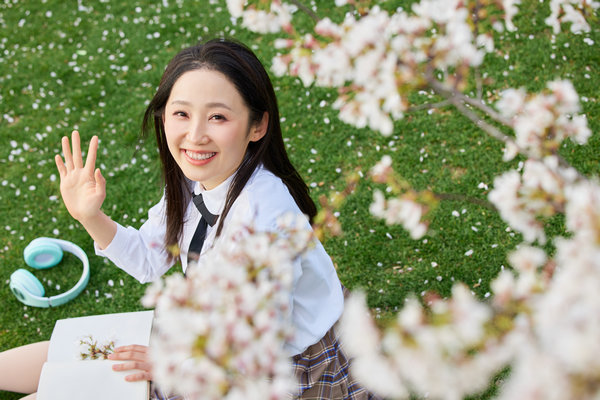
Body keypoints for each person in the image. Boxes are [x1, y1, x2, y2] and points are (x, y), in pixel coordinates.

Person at [0, 38, 378, 399]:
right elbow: (149, 259)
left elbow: (261, 345)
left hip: (280, 368)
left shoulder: (266, 219)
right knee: (78, 352)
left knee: (83, 386)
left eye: (217, 117)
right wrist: (90, 216)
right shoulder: (198, 180)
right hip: (212, 329)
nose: (195, 135)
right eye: (182, 113)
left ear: (257, 125)